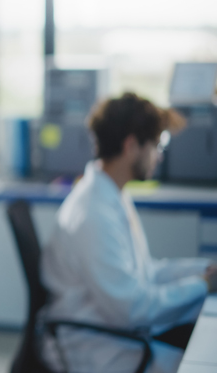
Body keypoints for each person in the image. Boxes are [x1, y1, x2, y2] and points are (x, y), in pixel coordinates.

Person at [40, 92, 217, 373]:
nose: (159, 156)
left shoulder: (110, 194)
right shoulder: (93, 214)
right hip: (100, 350)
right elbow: (133, 309)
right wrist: (202, 285)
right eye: (157, 145)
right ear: (132, 145)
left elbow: (145, 274)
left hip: (116, 332)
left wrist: (204, 271)